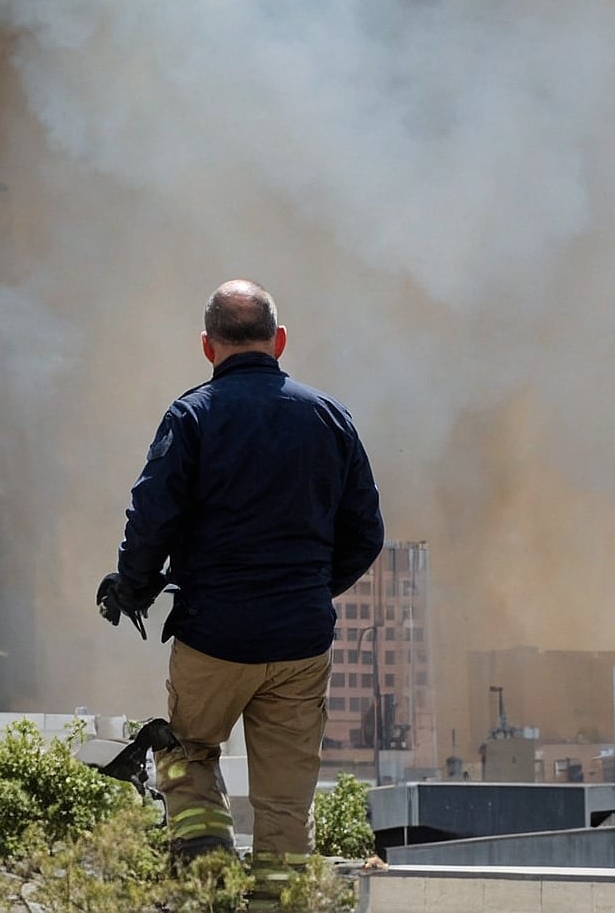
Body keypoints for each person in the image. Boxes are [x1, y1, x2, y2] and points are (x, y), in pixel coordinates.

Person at [98, 279, 383, 875]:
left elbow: (150, 518)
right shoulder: (330, 418)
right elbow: (366, 534)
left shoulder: (192, 416)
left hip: (213, 638)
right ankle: (280, 900)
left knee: (188, 755)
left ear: (207, 346)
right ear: (279, 341)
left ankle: (209, 876)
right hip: (300, 645)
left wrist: (133, 583)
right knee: (286, 803)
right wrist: (307, 590)